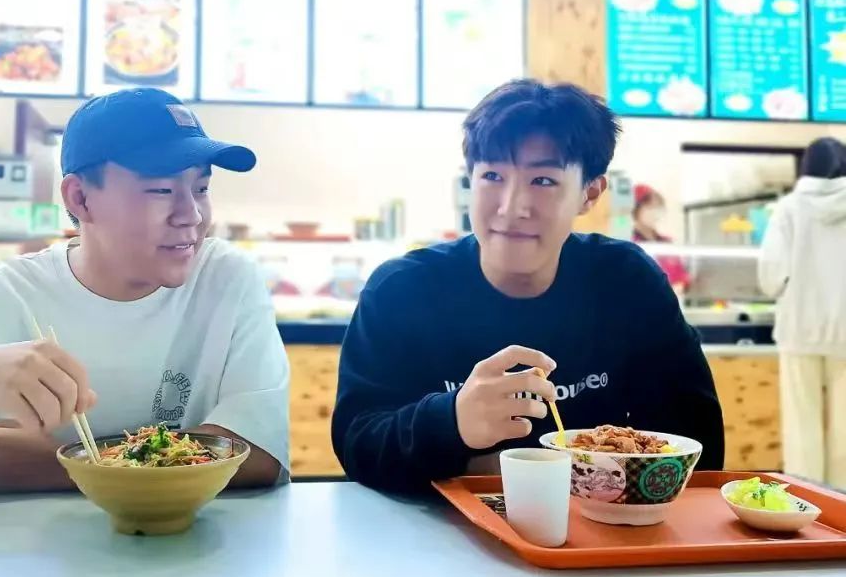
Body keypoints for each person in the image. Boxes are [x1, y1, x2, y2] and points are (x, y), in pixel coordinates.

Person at [0, 89, 289, 493]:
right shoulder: (6, 295)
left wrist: (70, 467)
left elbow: (258, 452)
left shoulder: (226, 279)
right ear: (81, 198)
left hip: (190, 536)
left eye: (201, 188)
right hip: (22, 541)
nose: (191, 215)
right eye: (162, 189)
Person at [332, 79, 724, 493]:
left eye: (543, 181)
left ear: (590, 192)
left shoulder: (628, 284)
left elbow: (695, 442)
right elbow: (358, 443)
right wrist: (451, 421)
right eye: (492, 176)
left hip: (596, 524)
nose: (511, 207)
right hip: (431, 525)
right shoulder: (402, 289)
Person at [758, 137, 846, 488]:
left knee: (801, 422)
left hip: (799, 328)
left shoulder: (789, 208)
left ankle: (808, 497)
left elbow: (771, 276)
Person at [631, 183, 691, 293]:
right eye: (650, 207)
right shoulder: (629, 245)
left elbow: (681, 276)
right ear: (636, 209)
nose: (654, 213)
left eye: (657, 207)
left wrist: (681, 285)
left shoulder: (667, 243)